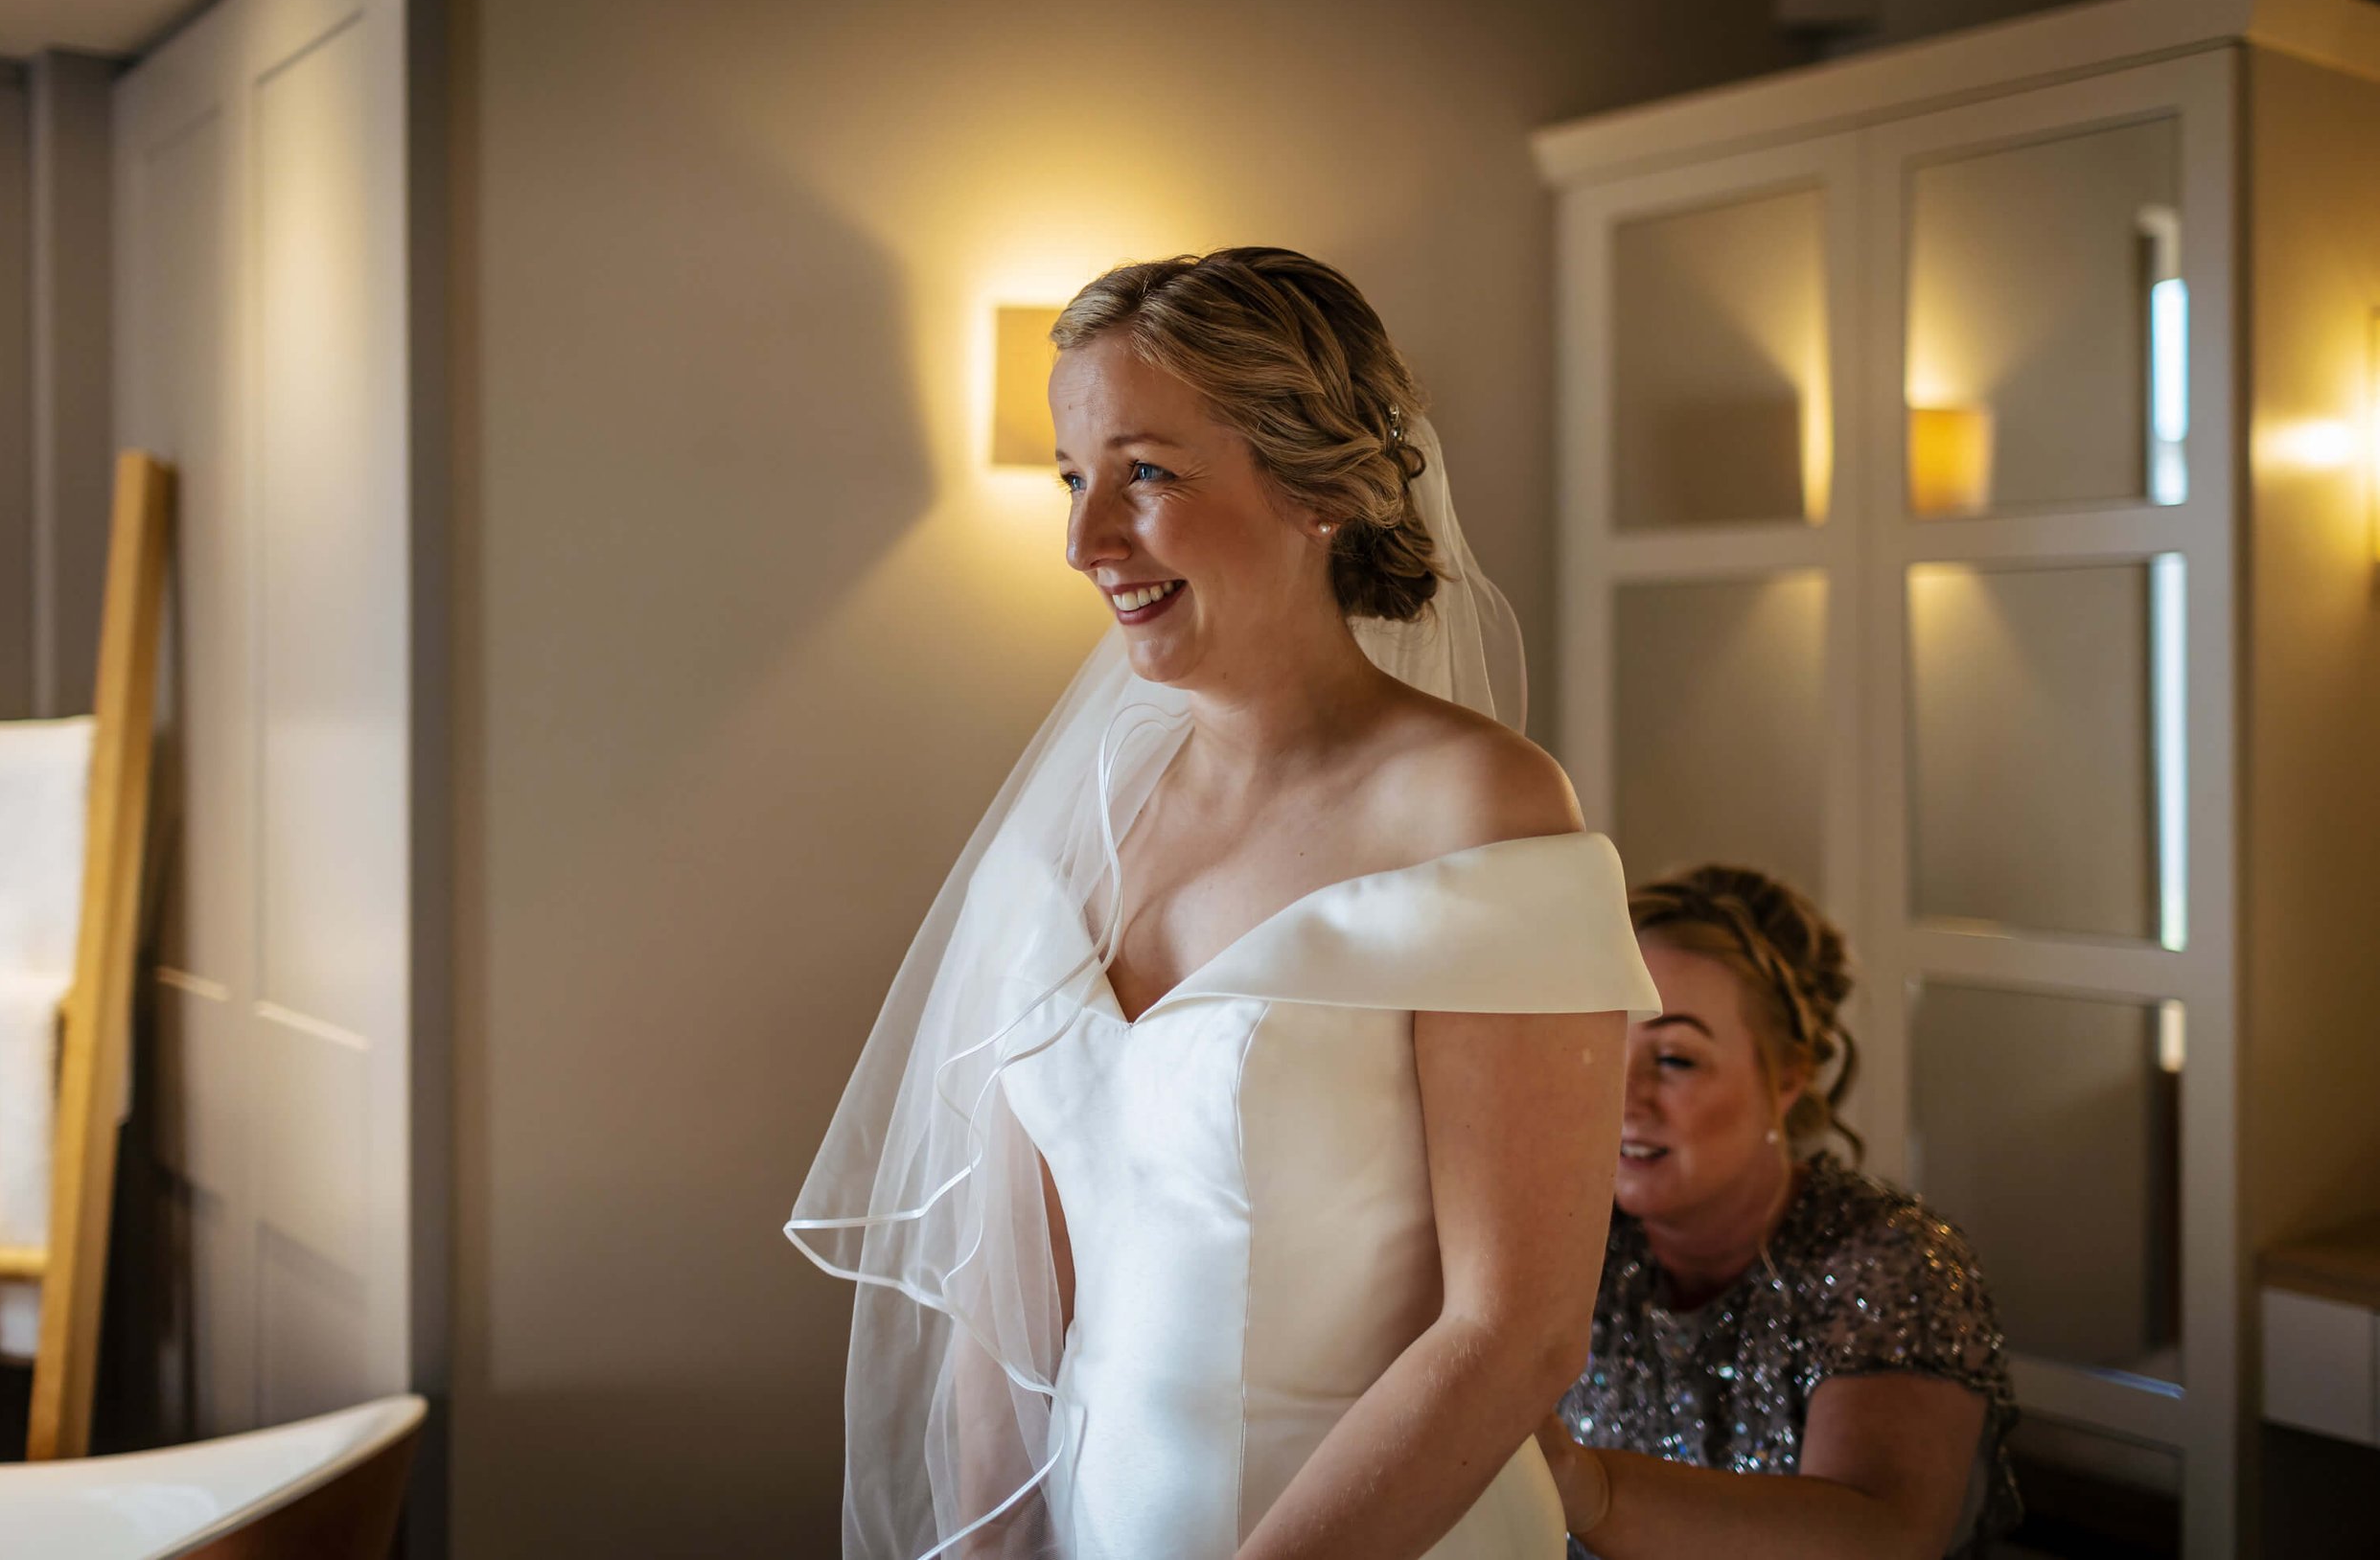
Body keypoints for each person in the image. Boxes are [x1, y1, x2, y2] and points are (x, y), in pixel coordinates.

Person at [787, 247, 1661, 1559]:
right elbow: (1009, 1296)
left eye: (1145, 473)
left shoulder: (1475, 807)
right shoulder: (1075, 822)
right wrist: (992, 1544)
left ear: (1317, 486)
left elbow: (1514, 1333)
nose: (1086, 541)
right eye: (1074, 479)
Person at [1532, 865, 2021, 1560]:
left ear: (1789, 1074)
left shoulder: (1888, 1260)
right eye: (1605, 1045)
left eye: (1674, 1058)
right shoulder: (1578, 1237)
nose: (1624, 1096)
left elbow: (1886, 1538)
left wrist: (1590, 1488)